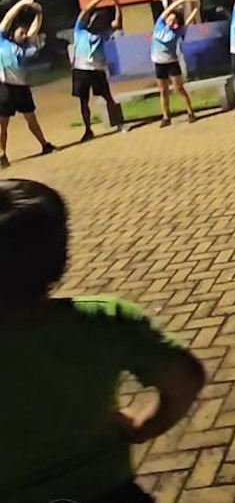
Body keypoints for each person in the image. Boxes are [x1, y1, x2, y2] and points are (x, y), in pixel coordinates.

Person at [0, 178, 205, 503]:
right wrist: (144, 426)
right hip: (110, 491)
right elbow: (186, 379)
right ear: (59, 256)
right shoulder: (104, 320)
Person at [0, 0, 55, 168]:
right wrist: (22, 4)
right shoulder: (2, 42)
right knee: (3, 124)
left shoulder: (26, 48)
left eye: (25, 33)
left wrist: (39, 14)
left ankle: (45, 144)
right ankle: (2, 154)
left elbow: (34, 30)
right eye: (21, 32)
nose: (24, 35)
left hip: (22, 88)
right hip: (6, 87)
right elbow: (8, 18)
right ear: (12, 33)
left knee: (31, 119)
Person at [72, 0, 124, 141]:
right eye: (95, 18)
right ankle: (88, 130)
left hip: (97, 69)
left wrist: (117, 4)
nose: (97, 21)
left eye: (100, 19)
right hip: (81, 69)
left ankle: (119, 123)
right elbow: (86, 10)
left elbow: (118, 24)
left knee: (108, 97)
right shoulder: (80, 30)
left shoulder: (103, 34)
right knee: (83, 101)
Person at [151, 0, 200, 127]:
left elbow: (189, 20)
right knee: (163, 91)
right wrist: (182, 0)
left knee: (179, 88)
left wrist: (196, 7)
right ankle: (166, 117)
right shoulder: (159, 25)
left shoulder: (177, 31)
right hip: (159, 63)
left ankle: (190, 113)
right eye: (170, 19)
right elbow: (169, 10)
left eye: (174, 20)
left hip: (172, 62)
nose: (171, 21)